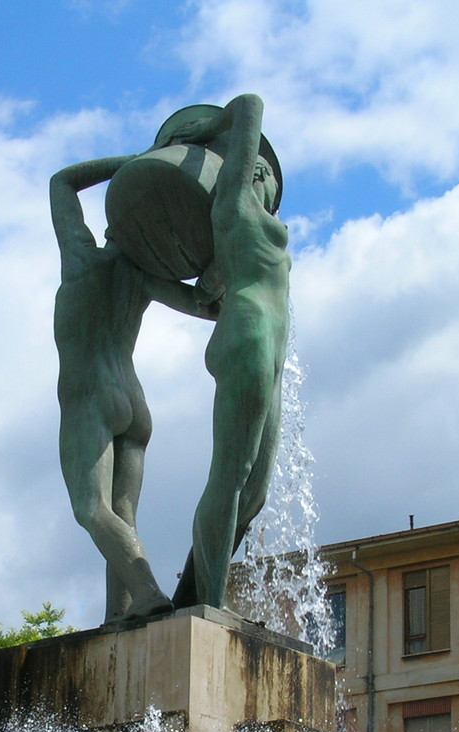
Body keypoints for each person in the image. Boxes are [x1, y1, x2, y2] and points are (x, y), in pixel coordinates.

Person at [51, 155, 220, 624]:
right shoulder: (145, 277)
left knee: (91, 508)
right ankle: (120, 615)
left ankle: (146, 592)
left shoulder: (81, 258)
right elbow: (207, 306)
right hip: (134, 401)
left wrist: (139, 161)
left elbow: (62, 181)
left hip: (91, 395)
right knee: (122, 512)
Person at [164, 94, 290, 610]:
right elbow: (251, 105)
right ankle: (209, 609)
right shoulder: (232, 204)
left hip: (268, 346)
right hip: (249, 337)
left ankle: (187, 598)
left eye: (266, 174)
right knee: (231, 476)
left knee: (254, 492)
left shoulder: (241, 232)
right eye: (255, 168)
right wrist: (203, 133)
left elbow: (199, 295)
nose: (262, 178)